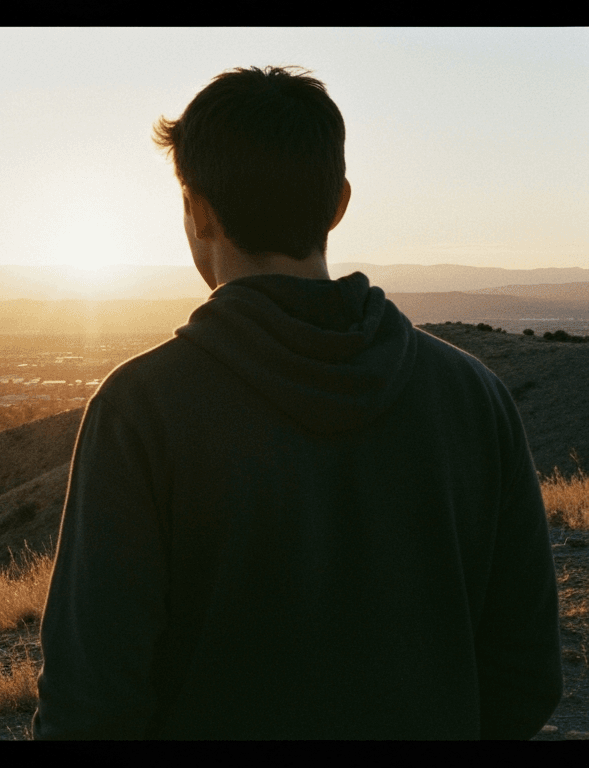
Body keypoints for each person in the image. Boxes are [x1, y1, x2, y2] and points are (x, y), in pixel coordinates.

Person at [33, 66, 562, 739]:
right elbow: (526, 673)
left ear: (197, 211)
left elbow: (91, 701)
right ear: (339, 203)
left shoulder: (141, 410)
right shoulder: (472, 396)